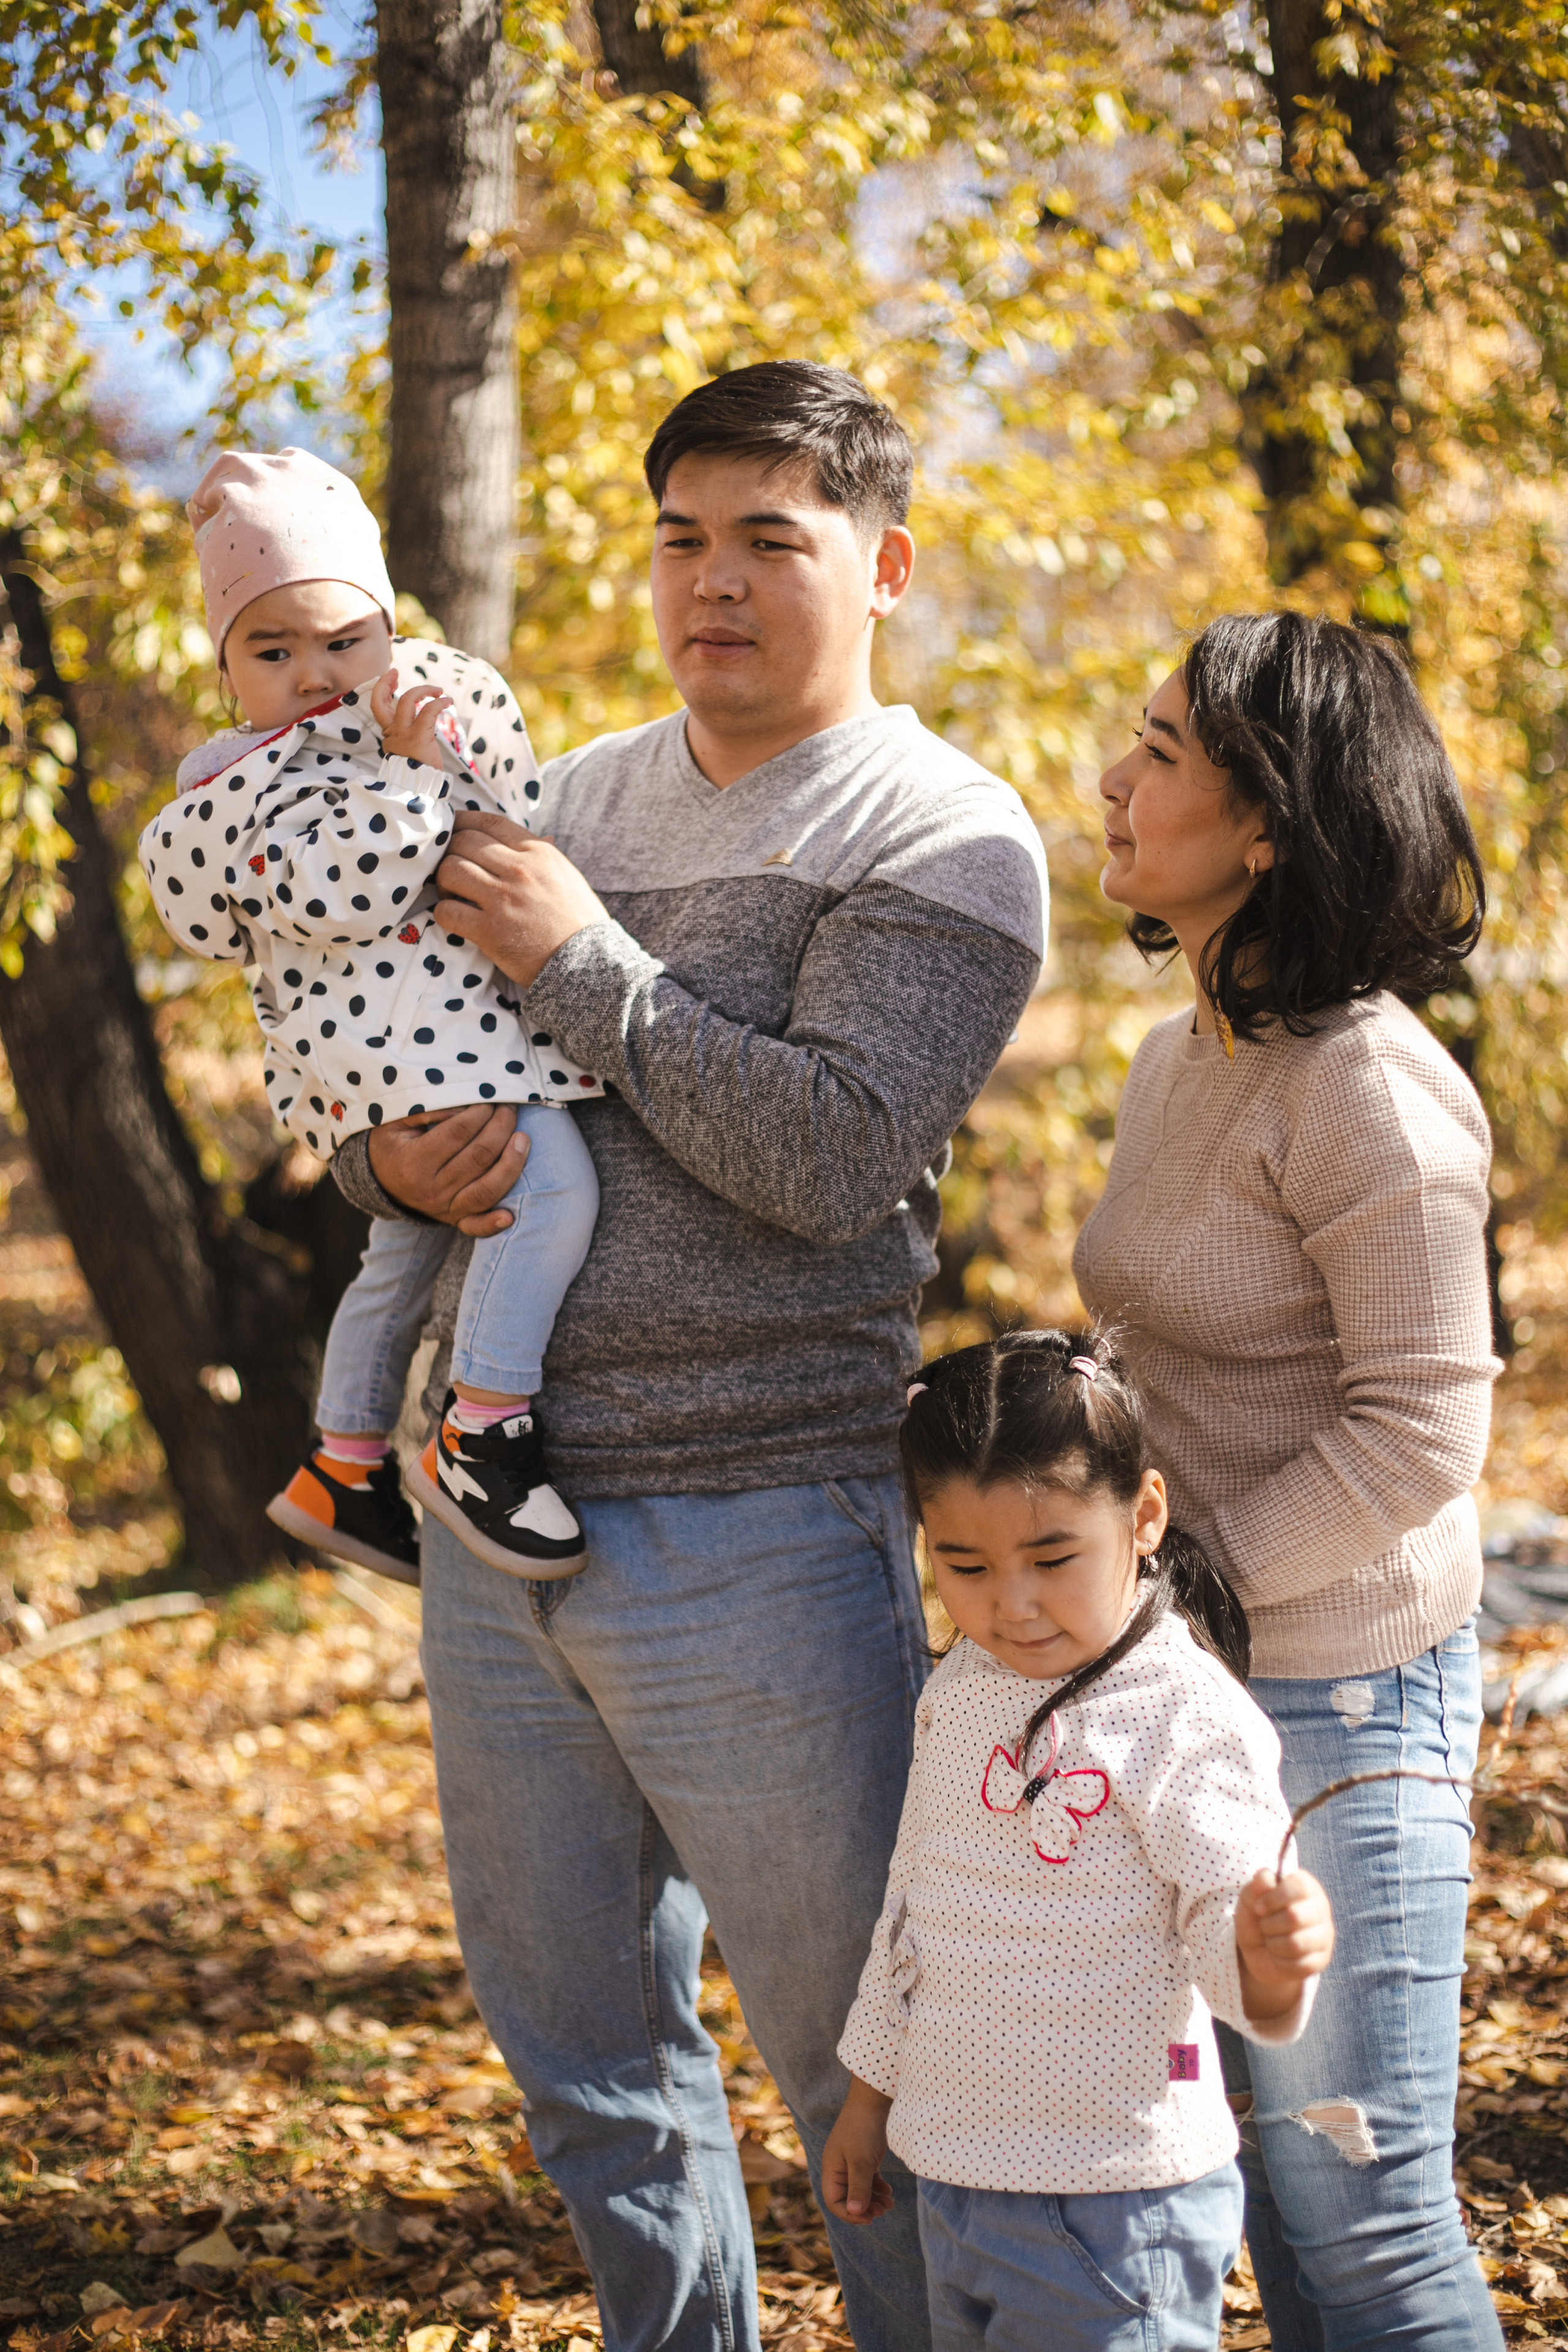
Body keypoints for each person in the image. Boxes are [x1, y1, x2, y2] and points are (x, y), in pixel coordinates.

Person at [330, 361, 1050, 2351]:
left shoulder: (949, 834)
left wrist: (579, 959)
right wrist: (391, 1158)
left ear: (884, 565)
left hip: (761, 1542)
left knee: (869, 2091)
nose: (708, 583)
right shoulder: (563, 793)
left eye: (768, 540)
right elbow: (386, 1066)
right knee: (592, 2073)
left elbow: (829, 1159)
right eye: (680, 538)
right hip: (501, 1539)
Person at [1074, 611, 1500, 2350]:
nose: (1116, 775)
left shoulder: (1377, 1094)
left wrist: (1185, 1582)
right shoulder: (1187, 1053)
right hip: (1204, 1688)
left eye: (1163, 751)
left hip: (1345, 1697)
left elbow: (1421, 1429)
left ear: (1266, 825)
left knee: (1366, 2216)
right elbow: (1171, 1338)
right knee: (1272, 2210)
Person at [821, 1329, 1335, 2352]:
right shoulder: (961, 1690)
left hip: (1113, 2199)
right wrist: (867, 2100)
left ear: (1143, 1515)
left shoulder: (1182, 1716)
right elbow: (913, 1913)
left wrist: (1272, 1963)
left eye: (1052, 1557)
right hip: (955, 2180)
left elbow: (1229, 1945)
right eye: (962, 1564)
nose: (1010, 1605)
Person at [140, 447, 600, 1584]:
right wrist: (403, 774)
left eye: (345, 641)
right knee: (550, 1190)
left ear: (388, 629)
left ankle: (344, 1464)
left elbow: (512, 817)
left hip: (427, 1044)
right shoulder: (243, 787)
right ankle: (482, 1431)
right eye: (273, 649)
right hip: (408, 1047)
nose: (315, 674)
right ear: (226, 665)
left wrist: (435, 750)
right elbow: (350, 889)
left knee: (397, 1256)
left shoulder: (406, 717)